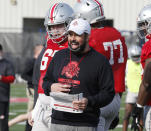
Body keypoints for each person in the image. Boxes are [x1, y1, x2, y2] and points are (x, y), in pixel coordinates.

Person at [43, 18, 115, 131]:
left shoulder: (100, 61)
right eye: (70, 34)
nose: (72, 39)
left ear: (87, 36)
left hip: (85, 123)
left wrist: (89, 101)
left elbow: (108, 93)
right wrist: (51, 87)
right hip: (58, 121)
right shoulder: (59, 56)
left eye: (77, 35)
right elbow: (46, 82)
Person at [73, 0, 128, 130]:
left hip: (98, 98)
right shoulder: (117, 34)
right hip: (115, 98)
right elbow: (119, 70)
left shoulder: (90, 37)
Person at [28, 3, 74, 131]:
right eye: (52, 26)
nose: (55, 30)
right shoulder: (49, 42)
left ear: (69, 23)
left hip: (62, 105)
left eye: (59, 25)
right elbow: (42, 77)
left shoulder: (74, 46)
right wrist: (36, 107)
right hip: (43, 103)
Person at [8, 44, 43, 131]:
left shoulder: (39, 60)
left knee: (35, 113)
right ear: (38, 51)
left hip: (37, 89)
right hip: (32, 89)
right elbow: (24, 75)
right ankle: (10, 123)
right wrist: (35, 81)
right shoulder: (32, 61)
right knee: (31, 113)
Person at [122, 45, 142, 131]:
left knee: (141, 117)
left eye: (138, 56)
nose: (137, 58)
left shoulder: (143, 63)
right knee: (127, 115)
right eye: (135, 56)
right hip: (131, 92)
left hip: (142, 93)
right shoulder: (127, 63)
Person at [0, 44, 15, 131]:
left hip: (2, 97)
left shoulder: (7, 64)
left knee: (3, 122)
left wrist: (2, 78)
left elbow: (12, 78)